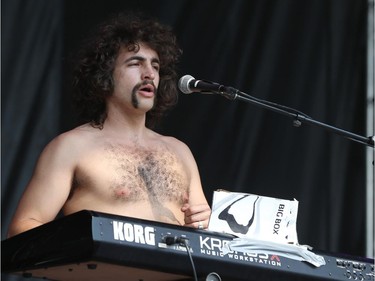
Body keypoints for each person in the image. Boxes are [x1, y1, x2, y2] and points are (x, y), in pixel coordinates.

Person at [8, 11, 211, 237]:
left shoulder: (180, 151)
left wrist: (204, 223)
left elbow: (202, 233)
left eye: (155, 66)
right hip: (103, 272)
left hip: (177, 272)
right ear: (104, 76)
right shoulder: (71, 147)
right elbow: (23, 227)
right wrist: (82, 244)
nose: (149, 74)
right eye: (135, 63)